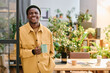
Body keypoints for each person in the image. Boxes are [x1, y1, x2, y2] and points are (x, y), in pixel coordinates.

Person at [17, 5, 55, 73]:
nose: (33, 15)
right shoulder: (20, 32)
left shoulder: (47, 32)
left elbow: (52, 52)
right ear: (27, 16)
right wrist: (32, 52)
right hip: (30, 70)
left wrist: (51, 65)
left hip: (46, 70)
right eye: (31, 13)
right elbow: (17, 52)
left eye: (36, 13)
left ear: (39, 15)